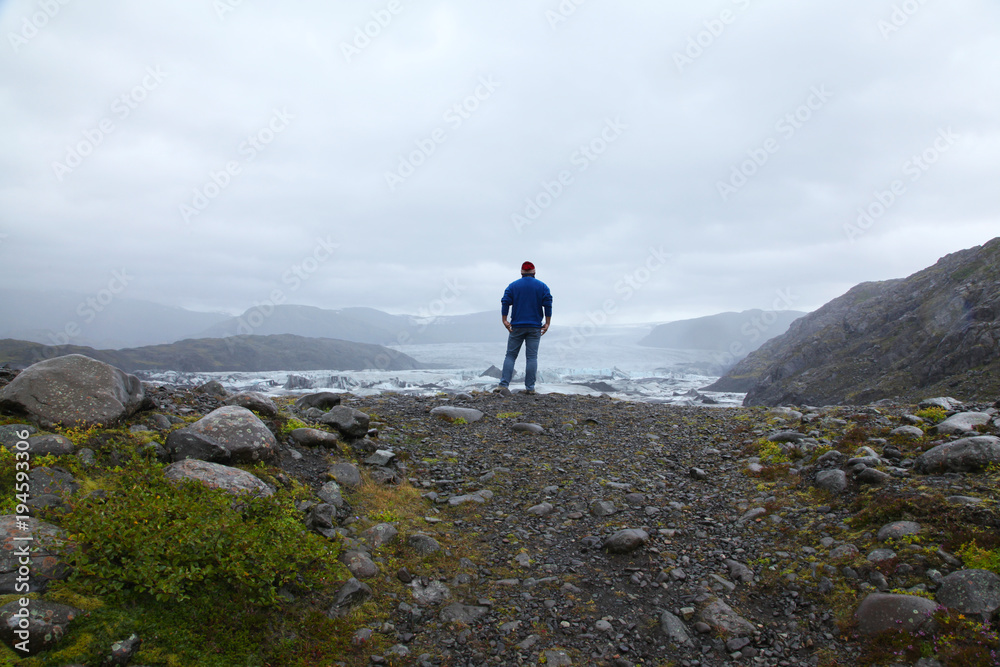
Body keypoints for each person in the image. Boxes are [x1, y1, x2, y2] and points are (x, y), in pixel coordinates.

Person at [495, 261, 552, 395]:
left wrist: (504, 319)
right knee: (532, 357)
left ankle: (503, 385)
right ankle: (530, 388)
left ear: (521, 272)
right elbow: (548, 304)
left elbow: (505, 301)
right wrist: (547, 322)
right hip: (534, 327)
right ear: (534, 272)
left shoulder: (513, 286)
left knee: (510, 355)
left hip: (517, 327)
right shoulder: (542, 286)